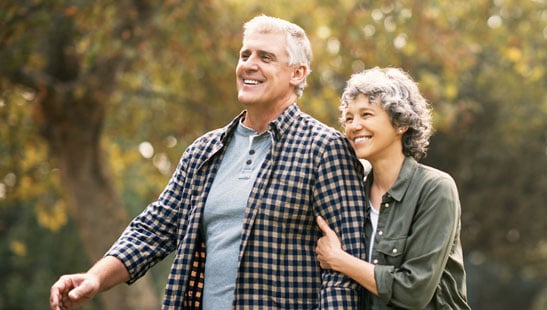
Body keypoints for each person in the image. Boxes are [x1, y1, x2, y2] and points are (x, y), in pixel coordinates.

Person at [50, 15, 368, 309]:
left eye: (265, 57)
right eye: (245, 55)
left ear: (297, 73)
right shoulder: (204, 152)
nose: (249, 65)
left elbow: (345, 270)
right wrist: (95, 277)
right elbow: (153, 228)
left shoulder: (324, 149)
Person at [315, 67, 471, 309]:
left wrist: (339, 259)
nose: (354, 126)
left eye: (366, 115)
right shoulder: (352, 192)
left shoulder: (436, 189)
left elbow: (413, 291)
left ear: (401, 124)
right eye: (348, 118)